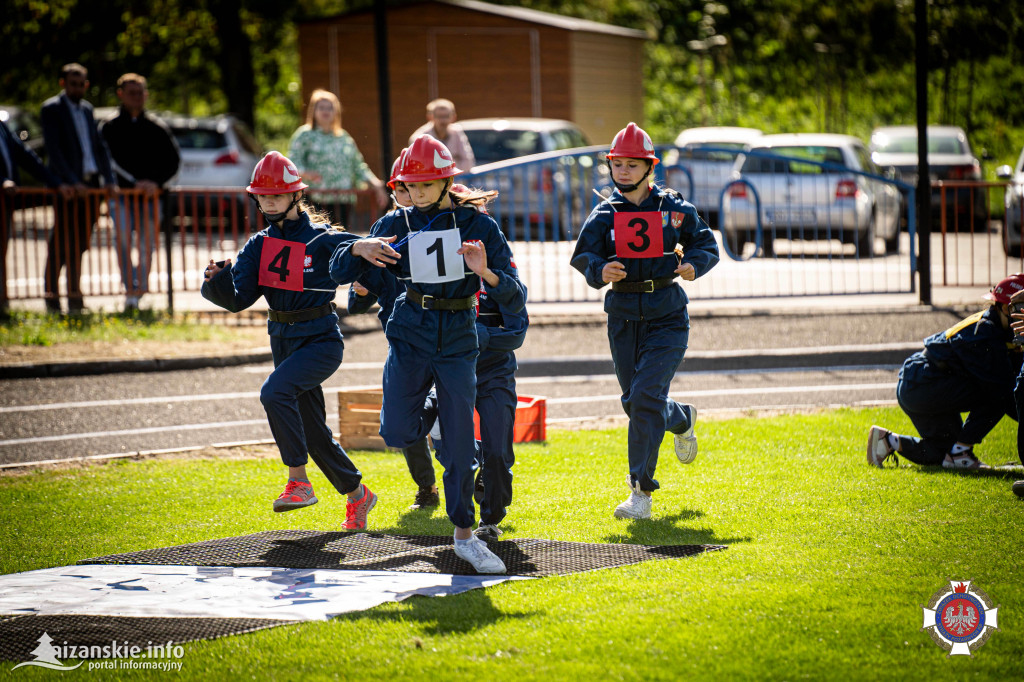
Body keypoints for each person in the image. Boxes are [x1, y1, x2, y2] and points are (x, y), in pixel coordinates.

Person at [330, 135, 525, 574]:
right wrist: (356, 248)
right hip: (410, 333)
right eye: (410, 186)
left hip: (459, 336)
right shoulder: (392, 222)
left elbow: (516, 295)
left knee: (459, 449)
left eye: (425, 185)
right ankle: (434, 417)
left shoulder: (479, 225)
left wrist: (485, 272)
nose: (416, 195)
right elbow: (340, 271)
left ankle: (465, 536)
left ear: (446, 181)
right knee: (397, 432)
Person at [201, 151, 376, 530]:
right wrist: (216, 281)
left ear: (297, 196)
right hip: (282, 340)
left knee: (273, 393)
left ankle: (298, 481)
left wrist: (361, 248)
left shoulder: (322, 238)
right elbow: (237, 300)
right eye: (262, 197)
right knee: (313, 433)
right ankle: (359, 495)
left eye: (276, 196)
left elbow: (354, 248)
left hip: (321, 341)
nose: (267, 203)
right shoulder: (257, 245)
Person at [570, 122, 720, 520]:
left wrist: (692, 264)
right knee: (637, 402)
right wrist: (601, 270)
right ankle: (681, 417)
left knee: (643, 397)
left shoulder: (673, 207)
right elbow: (583, 256)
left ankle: (640, 493)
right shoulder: (604, 213)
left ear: (648, 167)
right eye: (617, 164)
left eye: (632, 164)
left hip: (668, 314)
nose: (623, 171)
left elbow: (707, 244)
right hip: (622, 316)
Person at [348, 149, 439, 510]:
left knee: (449, 410)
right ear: (394, 189)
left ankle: (473, 473)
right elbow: (359, 295)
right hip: (401, 334)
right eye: (403, 188)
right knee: (401, 417)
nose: (411, 196)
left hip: (446, 330)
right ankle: (426, 487)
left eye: (418, 186)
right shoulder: (384, 228)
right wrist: (360, 291)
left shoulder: (448, 218)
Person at [867, 274, 1024, 470]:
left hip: (922, 382)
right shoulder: (986, 333)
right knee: (1000, 391)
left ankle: (888, 441)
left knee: (942, 453)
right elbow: (1008, 393)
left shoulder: (997, 330)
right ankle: (961, 452)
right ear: (1003, 307)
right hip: (923, 382)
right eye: (1021, 308)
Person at [431, 262, 529, 541]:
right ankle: (476, 459)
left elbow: (516, 332)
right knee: (446, 442)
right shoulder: (437, 269)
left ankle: (490, 519)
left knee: (498, 451)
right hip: (450, 371)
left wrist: (470, 335)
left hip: (495, 373)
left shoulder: (503, 275)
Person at [100, 73, 181, 311]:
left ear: (145, 95)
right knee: (123, 240)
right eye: (131, 93)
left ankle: (140, 289)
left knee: (147, 245)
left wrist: (155, 183)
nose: (136, 97)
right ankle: (130, 290)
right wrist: (128, 183)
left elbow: (173, 162)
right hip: (122, 198)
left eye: (140, 93)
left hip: (150, 198)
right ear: (121, 94)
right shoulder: (109, 127)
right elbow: (105, 162)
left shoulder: (157, 127)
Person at [41, 63, 117, 314]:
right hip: (68, 187)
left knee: (80, 243)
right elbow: (54, 150)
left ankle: (75, 296)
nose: (77, 88)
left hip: (91, 187)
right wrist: (72, 181)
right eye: (72, 83)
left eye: (81, 83)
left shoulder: (86, 110)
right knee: (61, 243)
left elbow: (99, 147)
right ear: (63, 83)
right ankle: (52, 296)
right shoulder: (52, 108)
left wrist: (109, 179)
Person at [287, 89, 387, 226]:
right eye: (321, 107)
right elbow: (292, 164)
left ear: (336, 111)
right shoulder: (304, 135)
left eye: (330, 108)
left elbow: (358, 165)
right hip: (316, 199)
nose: (326, 111)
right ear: (313, 111)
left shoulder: (343, 137)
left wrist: (376, 184)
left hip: (343, 200)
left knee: (340, 240)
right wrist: (306, 173)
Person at [1, 118, 69, 317]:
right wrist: (3, 180)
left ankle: (2, 309)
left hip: (4, 202)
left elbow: (26, 157)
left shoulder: (2, 126)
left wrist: (55, 182)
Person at [409, 98, 475, 171]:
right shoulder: (419, 138)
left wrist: (446, 170)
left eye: (446, 116)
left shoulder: (457, 132)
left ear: (453, 117)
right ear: (430, 117)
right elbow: (418, 166)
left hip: (454, 180)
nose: (443, 121)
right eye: (439, 116)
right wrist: (450, 167)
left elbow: (469, 162)